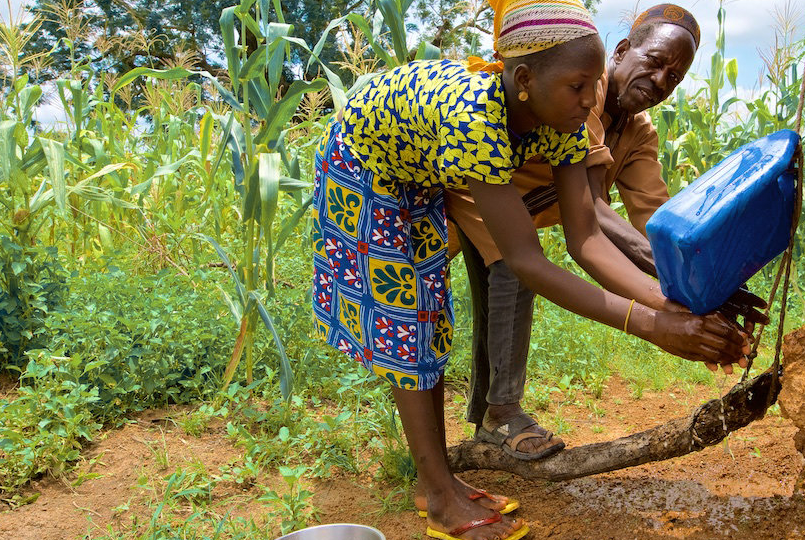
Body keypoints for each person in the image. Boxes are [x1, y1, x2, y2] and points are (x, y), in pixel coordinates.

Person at [309, 0, 749, 538]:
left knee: (428, 319)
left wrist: (673, 303)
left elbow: (585, 238)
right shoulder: (475, 118)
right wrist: (655, 326)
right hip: (364, 166)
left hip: (424, 176)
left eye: (593, 88)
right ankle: (442, 497)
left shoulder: (566, 117)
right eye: (579, 87)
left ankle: (435, 481)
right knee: (405, 324)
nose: (591, 100)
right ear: (524, 78)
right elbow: (526, 260)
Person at [445, 3, 766, 461]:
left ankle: (494, 416)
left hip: (514, 211)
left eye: (673, 77)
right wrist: (674, 302)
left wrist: (709, 282)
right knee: (509, 276)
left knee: (504, 286)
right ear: (622, 51)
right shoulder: (577, 94)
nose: (660, 82)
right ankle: (498, 416)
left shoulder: (638, 130)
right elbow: (593, 213)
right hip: (478, 195)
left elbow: (658, 222)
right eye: (654, 62)